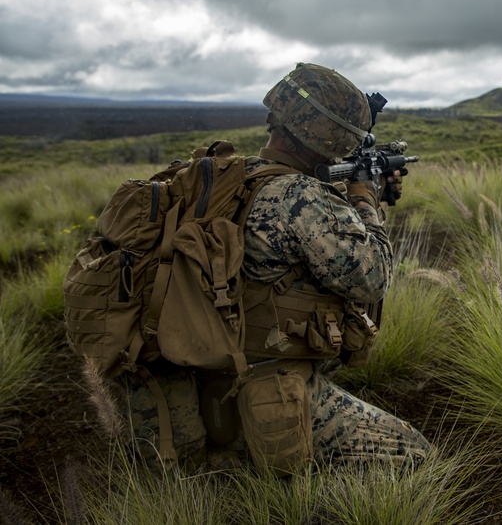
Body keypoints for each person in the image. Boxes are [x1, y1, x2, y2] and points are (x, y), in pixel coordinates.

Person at [123, 63, 432, 471]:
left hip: (198, 364)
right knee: (416, 455)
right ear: (331, 135)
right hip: (261, 382)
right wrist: (365, 200)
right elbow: (372, 279)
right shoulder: (299, 197)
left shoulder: (239, 174)